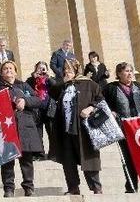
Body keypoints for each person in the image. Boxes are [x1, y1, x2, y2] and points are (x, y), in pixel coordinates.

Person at [0, 61, 42, 197]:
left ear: (16, 71)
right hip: (5, 129)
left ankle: (29, 187)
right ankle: (9, 188)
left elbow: (38, 100)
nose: (8, 70)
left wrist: (25, 101)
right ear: (1, 73)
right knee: (6, 160)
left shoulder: (23, 85)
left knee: (27, 160)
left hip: (24, 127)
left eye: (11, 68)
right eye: (5, 69)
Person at [49, 58, 103, 195]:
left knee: (89, 158)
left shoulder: (89, 84)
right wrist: (64, 82)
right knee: (68, 160)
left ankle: (96, 188)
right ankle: (73, 188)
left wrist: (90, 108)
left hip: (83, 128)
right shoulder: (64, 85)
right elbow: (52, 93)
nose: (67, 71)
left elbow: (100, 99)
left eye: (70, 69)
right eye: (65, 69)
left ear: (77, 69)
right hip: (66, 129)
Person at [103, 62, 140, 193]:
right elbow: (102, 103)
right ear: (119, 74)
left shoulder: (139, 86)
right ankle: (131, 186)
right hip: (124, 128)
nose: (129, 74)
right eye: (126, 71)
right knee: (128, 158)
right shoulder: (111, 88)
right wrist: (112, 112)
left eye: (130, 71)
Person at [25, 61, 54, 158]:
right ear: (35, 69)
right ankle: (39, 153)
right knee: (37, 132)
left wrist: (48, 77)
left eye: (43, 68)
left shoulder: (50, 79)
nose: (41, 70)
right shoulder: (31, 79)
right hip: (36, 109)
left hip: (48, 108)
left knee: (51, 131)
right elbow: (26, 89)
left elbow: (56, 87)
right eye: (39, 68)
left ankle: (53, 153)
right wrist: (34, 78)